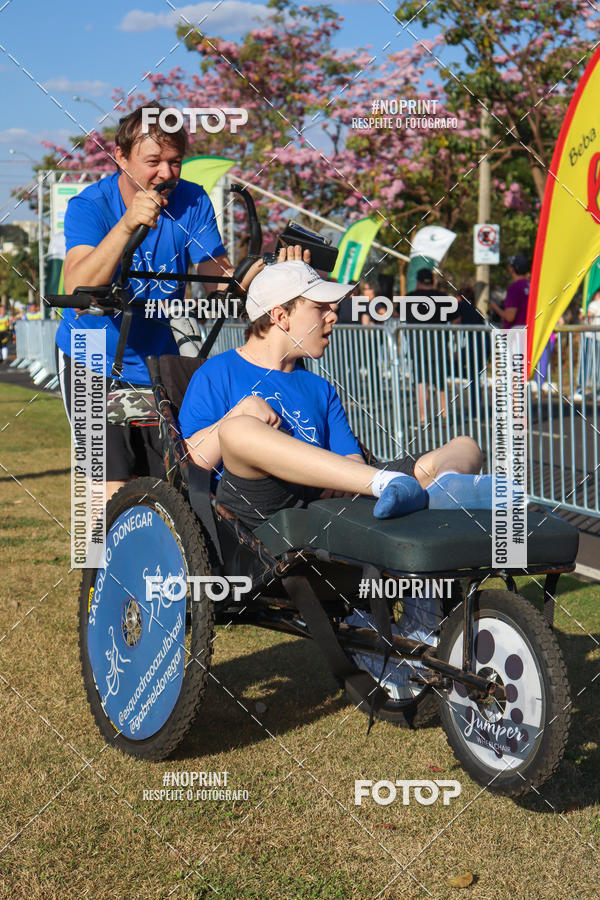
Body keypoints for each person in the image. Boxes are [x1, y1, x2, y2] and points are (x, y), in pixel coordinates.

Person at [178, 260, 495, 532]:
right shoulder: (217, 371)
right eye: (319, 308)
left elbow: (351, 459)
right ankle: (390, 486)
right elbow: (194, 460)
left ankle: (444, 486)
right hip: (259, 505)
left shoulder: (319, 387)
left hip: (323, 502)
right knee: (239, 429)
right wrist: (237, 413)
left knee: (465, 445)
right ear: (280, 316)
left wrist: (348, 476)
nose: (333, 315)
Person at [54, 104, 261, 503]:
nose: (165, 174)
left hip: (160, 361)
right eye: (153, 161)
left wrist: (258, 276)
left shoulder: (193, 200)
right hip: (93, 358)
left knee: (170, 485)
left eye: (175, 162)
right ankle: (101, 566)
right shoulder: (90, 205)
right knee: (110, 490)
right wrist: (129, 222)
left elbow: (215, 275)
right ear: (121, 157)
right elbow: (78, 286)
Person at [405, 267, 448, 424]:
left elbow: (396, 314)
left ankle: (423, 417)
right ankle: (444, 415)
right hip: (439, 346)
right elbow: (456, 319)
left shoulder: (409, 298)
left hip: (418, 347)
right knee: (440, 382)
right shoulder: (443, 297)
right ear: (432, 281)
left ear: (418, 282)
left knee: (422, 382)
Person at [489, 254, 530, 329]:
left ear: (512, 269)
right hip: (530, 334)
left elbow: (509, 317)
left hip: (516, 335)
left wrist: (494, 307)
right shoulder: (531, 285)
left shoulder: (514, 288)